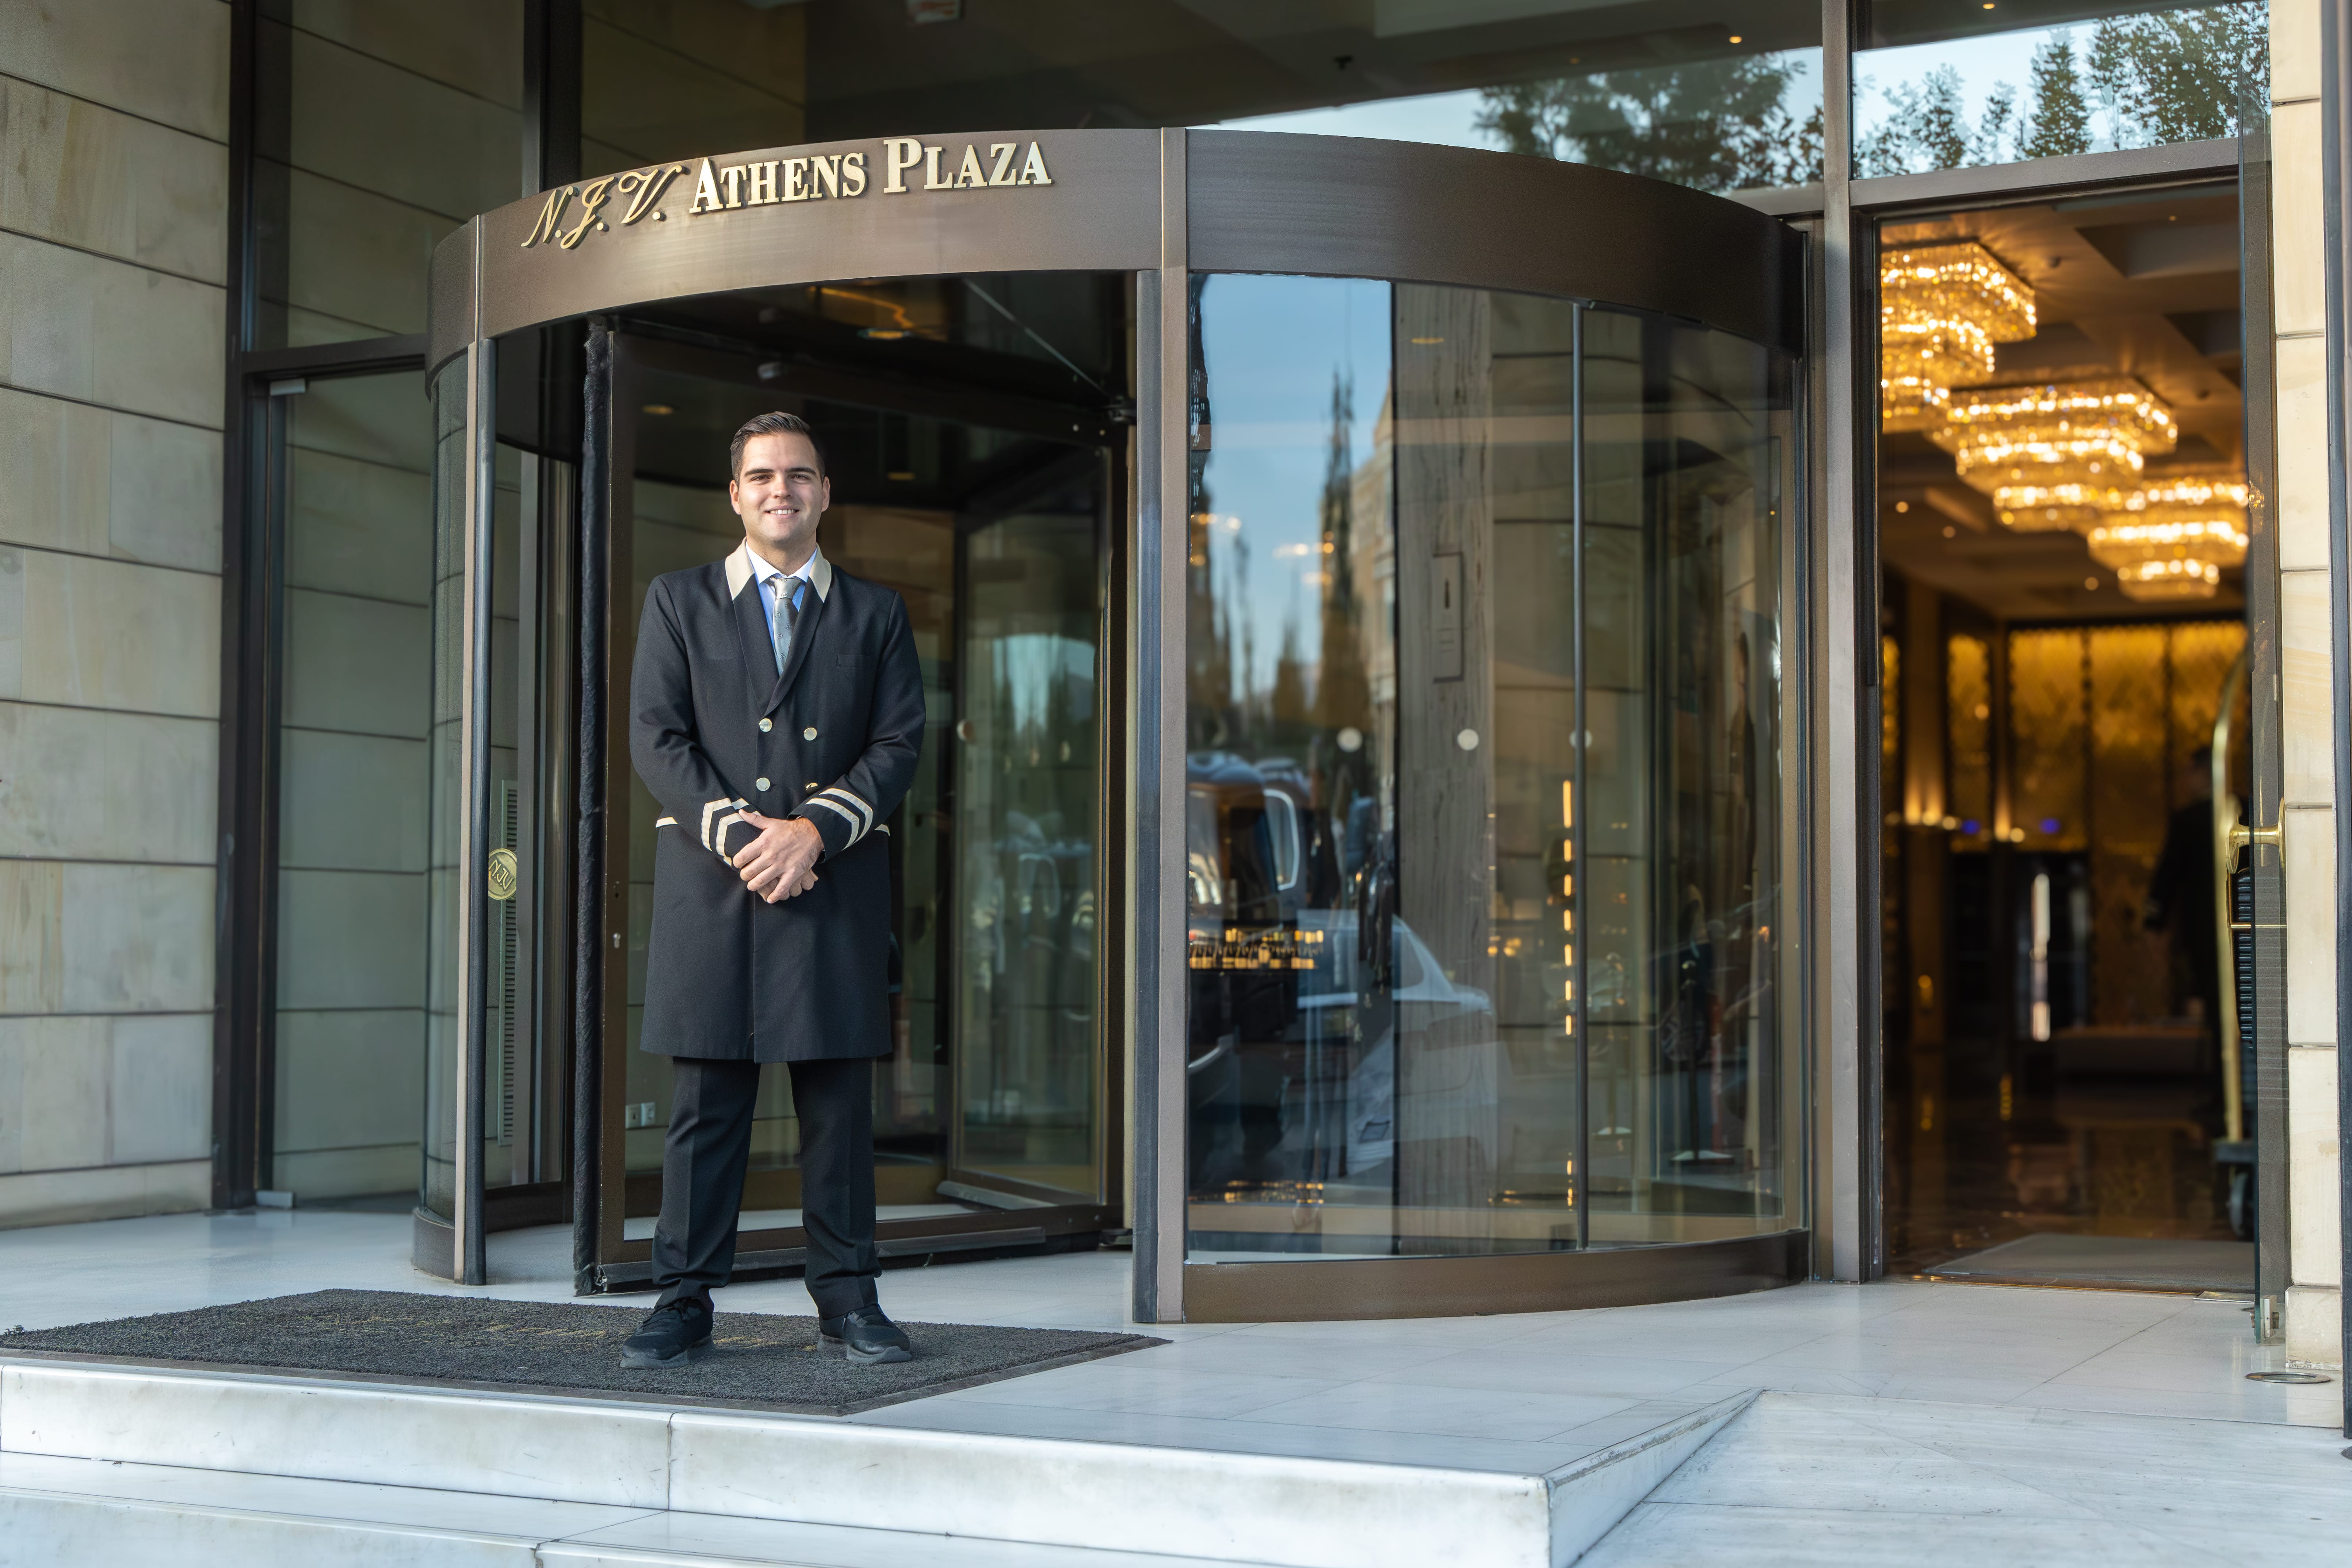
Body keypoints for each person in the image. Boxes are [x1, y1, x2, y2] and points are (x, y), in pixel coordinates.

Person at [620, 412, 925, 1369]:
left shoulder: (877, 612)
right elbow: (656, 736)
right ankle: (682, 1300)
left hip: (832, 883)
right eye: (761, 476)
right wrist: (747, 838)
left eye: (798, 475)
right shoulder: (678, 600)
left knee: (838, 1111)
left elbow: (898, 745)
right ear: (736, 494)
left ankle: (849, 1300)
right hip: (715, 886)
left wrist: (812, 833)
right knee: (706, 1107)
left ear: (825, 493)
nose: (779, 490)